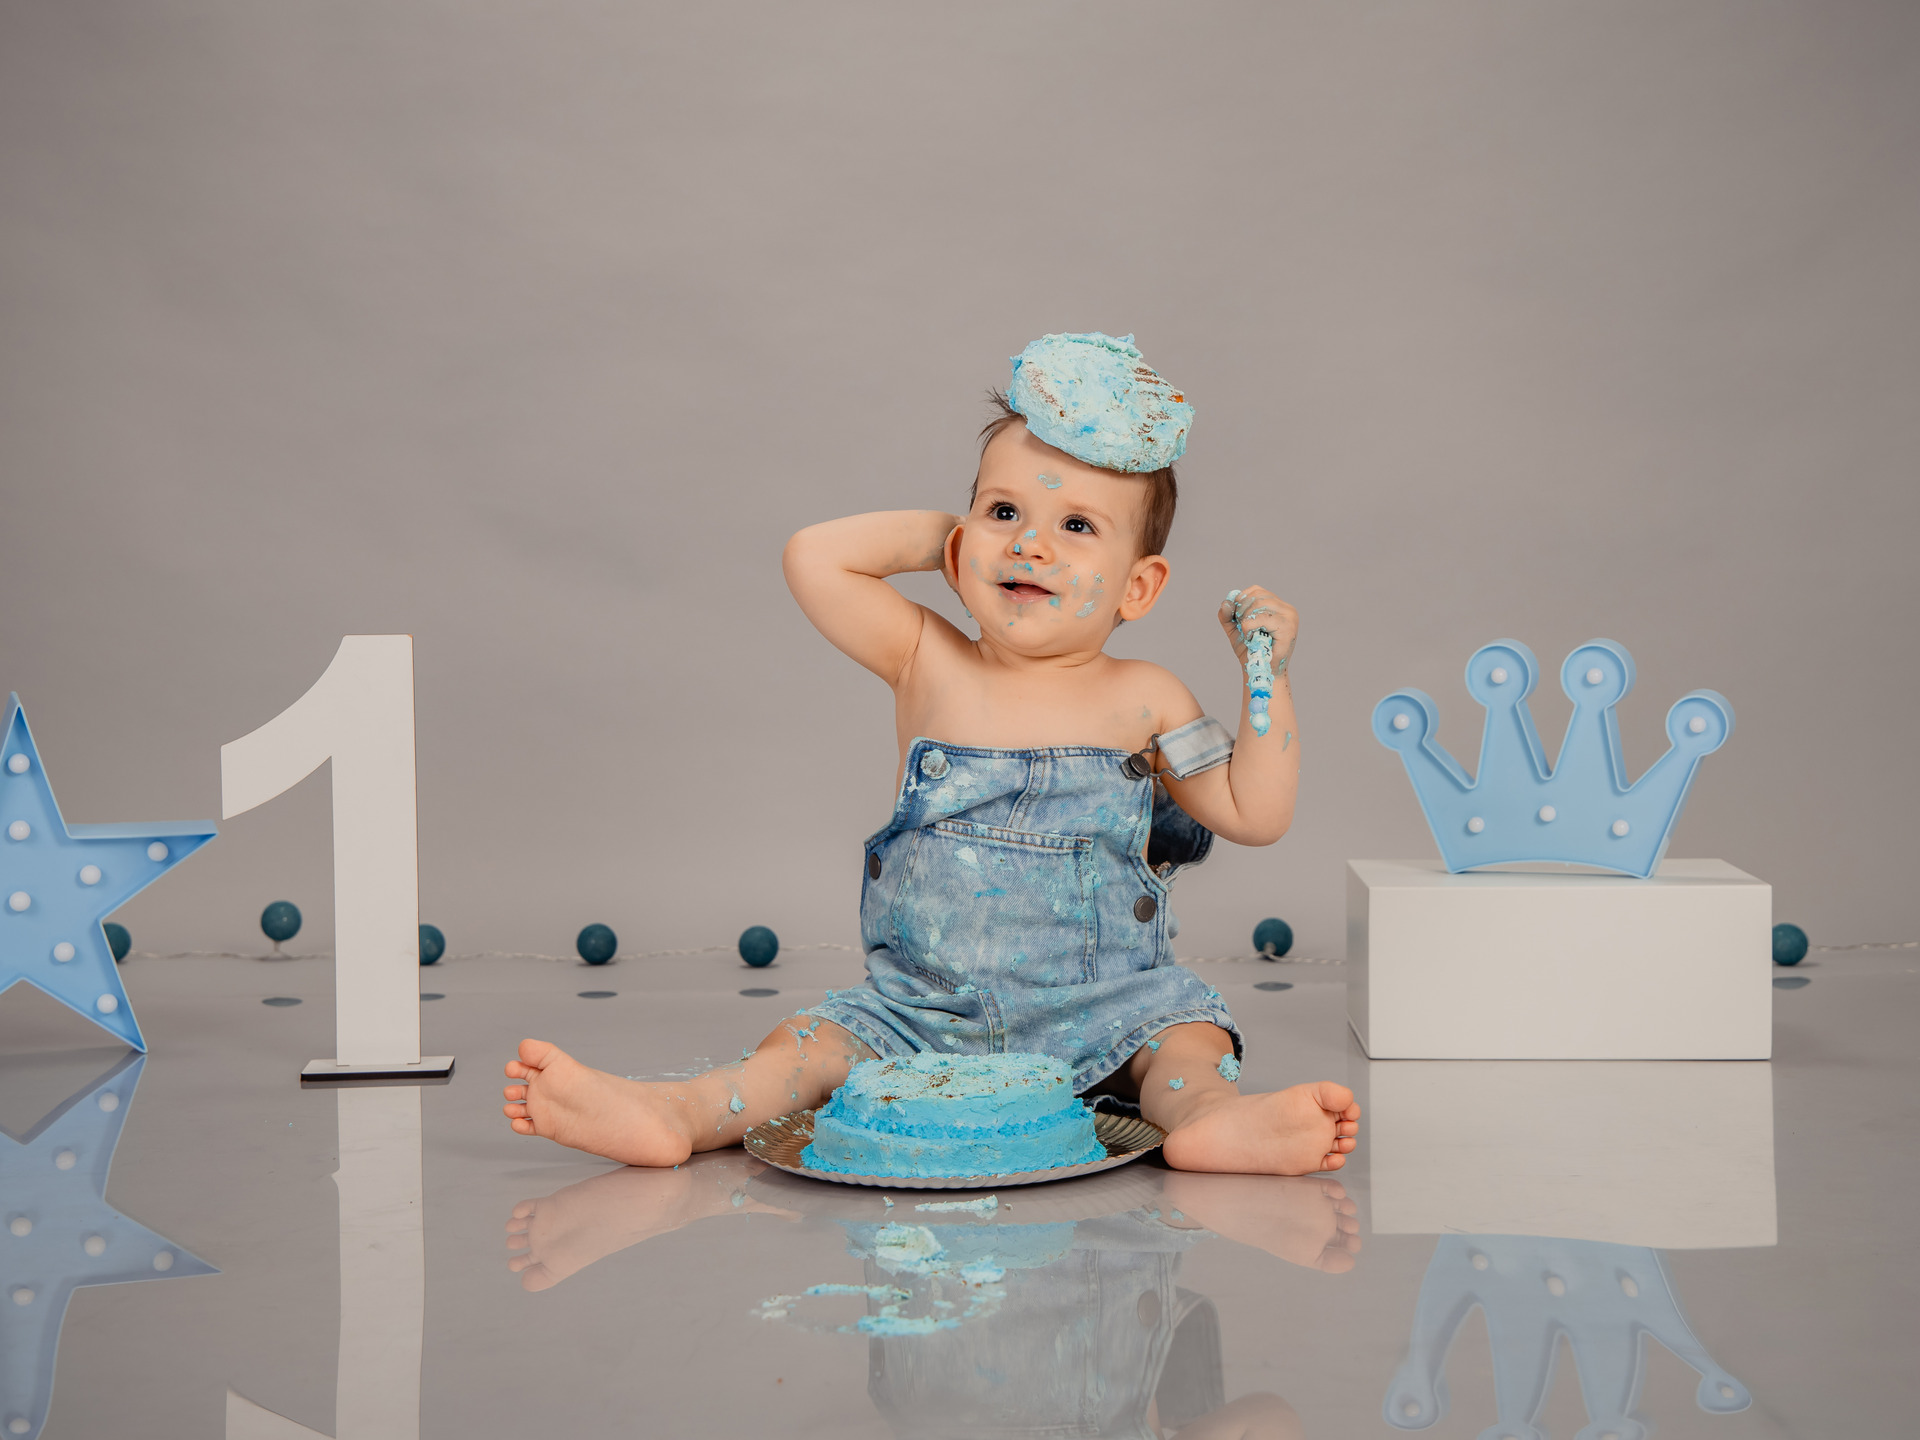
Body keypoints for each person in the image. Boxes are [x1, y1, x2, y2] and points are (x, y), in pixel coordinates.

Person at [503, 332, 1360, 1175]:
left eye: (1075, 524)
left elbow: (1255, 812)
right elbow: (814, 558)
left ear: (1138, 586)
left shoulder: (1149, 698)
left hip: (1108, 1009)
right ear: (960, 546)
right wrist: (955, 538)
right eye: (1004, 512)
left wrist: (1267, 676)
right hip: (920, 1014)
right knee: (803, 1049)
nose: (1029, 544)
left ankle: (1209, 1119)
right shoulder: (928, 658)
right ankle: (679, 1112)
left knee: (1188, 1040)